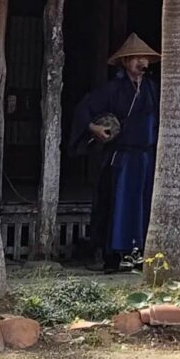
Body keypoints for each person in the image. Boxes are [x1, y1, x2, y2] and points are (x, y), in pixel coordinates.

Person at [69, 33, 160, 273]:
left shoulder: (152, 89)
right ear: (125, 62)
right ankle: (111, 256)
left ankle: (140, 254)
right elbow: (84, 108)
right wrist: (93, 127)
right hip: (122, 158)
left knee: (144, 205)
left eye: (145, 58)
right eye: (136, 58)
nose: (142, 63)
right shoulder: (113, 89)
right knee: (116, 205)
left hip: (146, 158)